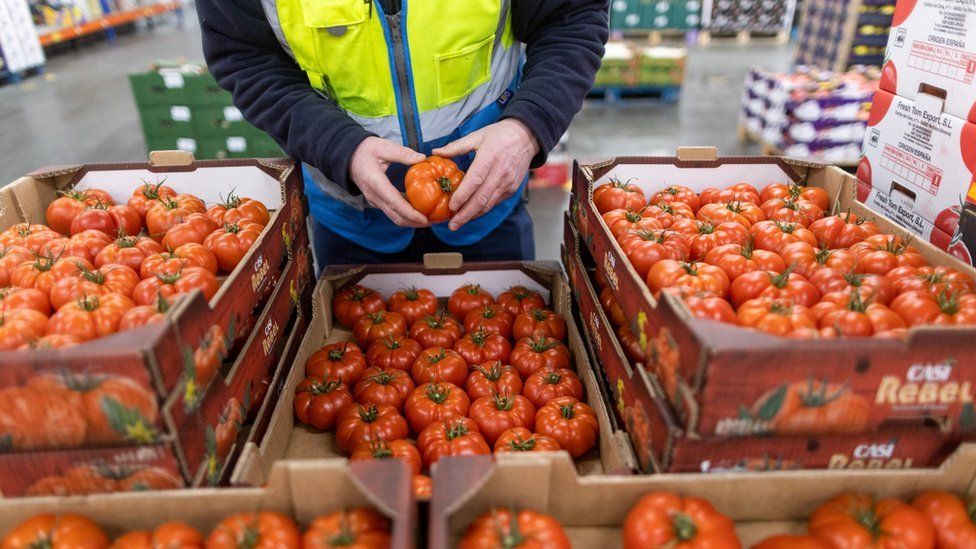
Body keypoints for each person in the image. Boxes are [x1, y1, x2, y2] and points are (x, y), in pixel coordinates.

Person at [196, 0, 608, 264]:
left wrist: (526, 127)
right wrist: (339, 146)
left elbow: (570, 17)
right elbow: (246, 58)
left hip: (488, 202)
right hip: (350, 218)